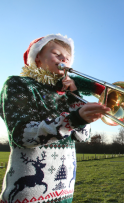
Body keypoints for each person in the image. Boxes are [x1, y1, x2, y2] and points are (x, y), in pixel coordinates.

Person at [0, 34, 110, 203]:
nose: (63, 59)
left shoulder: (67, 94)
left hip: (64, 193)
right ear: (37, 57)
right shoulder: (18, 84)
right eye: (57, 54)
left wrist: (75, 95)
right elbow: (21, 134)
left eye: (67, 58)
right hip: (28, 197)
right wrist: (72, 120)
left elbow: (83, 136)